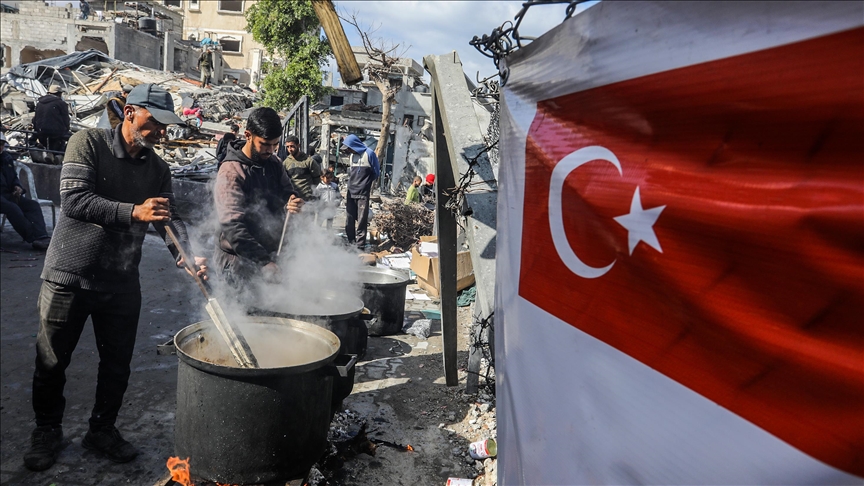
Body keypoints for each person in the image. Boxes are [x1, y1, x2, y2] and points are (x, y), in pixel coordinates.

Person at [25, 84, 208, 472]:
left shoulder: (158, 169)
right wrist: (133, 212)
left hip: (121, 281)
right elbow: (73, 200)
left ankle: (102, 428)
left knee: (117, 364)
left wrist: (187, 256)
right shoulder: (87, 143)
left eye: (165, 125)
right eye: (154, 122)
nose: (160, 131)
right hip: (68, 276)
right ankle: (47, 431)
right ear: (130, 113)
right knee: (52, 360)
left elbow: (168, 219)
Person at [213, 107, 303, 288]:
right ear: (248, 135)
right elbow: (232, 226)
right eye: (265, 144)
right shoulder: (231, 170)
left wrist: (294, 200)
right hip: (237, 261)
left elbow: (288, 191)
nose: (271, 150)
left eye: (275, 145)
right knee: (243, 315)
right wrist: (263, 262)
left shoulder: (274, 163)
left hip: (268, 256)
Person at [0, 133, 51, 250]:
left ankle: (41, 236)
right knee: (12, 208)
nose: (0, 147)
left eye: (1, 144)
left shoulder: (6, 158)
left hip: (7, 194)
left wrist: (18, 187)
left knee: (32, 205)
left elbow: (13, 178)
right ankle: (33, 237)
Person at [342, 134, 380, 249]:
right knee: (349, 220)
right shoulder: (352, 157)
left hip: (362, 193)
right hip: (351, 192)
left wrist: (366, 184)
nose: (349, 150)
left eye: (349, 148)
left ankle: (359, 246)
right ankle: (351, 242)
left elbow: (376, 173)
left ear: (355, 145)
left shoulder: (369, 154)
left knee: (361, 221)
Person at [33, 85, 71, 156]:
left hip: (41, 132)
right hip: (56, 133)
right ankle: (59, 157)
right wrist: (66, 130)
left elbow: (35, 118)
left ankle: (48, 155)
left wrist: (36, 130)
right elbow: (66, 120)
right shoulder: (61, 103)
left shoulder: (39, 103)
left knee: (48, 145)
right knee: (71, 140)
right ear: (59, 94)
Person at [282, 135, 322, 201]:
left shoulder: (309, 161)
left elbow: (317, 178)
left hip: (307, 199)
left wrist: (309, 190)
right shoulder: (286, 163)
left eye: (292, 146)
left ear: (298, 145)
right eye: (288, 147)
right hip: (293, 199)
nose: (290, 149)